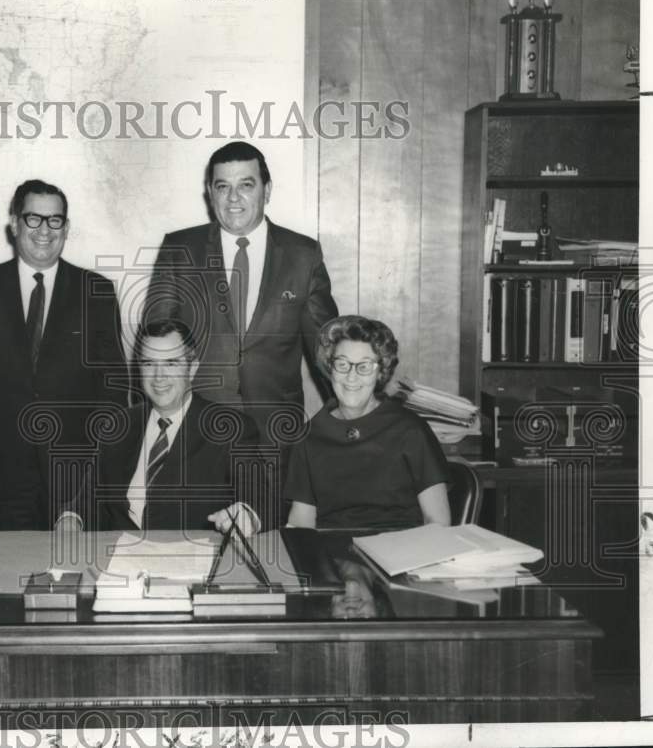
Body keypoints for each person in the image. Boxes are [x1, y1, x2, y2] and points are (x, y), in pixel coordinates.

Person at [0, 179, 127, 530]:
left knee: (74, 577)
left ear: (66, 227)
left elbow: (114, 396)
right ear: (14, 224)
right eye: (33, 219)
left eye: (55, 220)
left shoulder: (96, 291)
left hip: (74, 483)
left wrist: (97, 478)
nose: (45, 230)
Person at [146, 141, 338, 448]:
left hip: (275, 436)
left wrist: (348, 420)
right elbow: (155, 346)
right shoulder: (179, 249)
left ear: (267, 190)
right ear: (211, 193)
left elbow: (328, 351)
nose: (233, 198)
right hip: (197, 434)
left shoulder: (302, 254)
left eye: (246, 185)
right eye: (223, 187)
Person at [55, 319, 271, 534]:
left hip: (190, 560)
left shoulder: (230, 429)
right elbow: (89, 499)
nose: (159, 376)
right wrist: (71, 519)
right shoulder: (118, 425)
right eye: (149, 364)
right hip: (119, 559)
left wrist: (247, 515)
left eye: (171, 363)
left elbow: (261, 501)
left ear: (192, 368)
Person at [285, 315, 450, 530]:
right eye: (342, 364)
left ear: (381, 371)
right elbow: (301, 526)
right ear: (330, 368)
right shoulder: (310, 435)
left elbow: (439, 523)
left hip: (401, 553)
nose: (351, 377)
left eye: (364, 366)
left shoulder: (410, 430)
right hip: (333, 554)